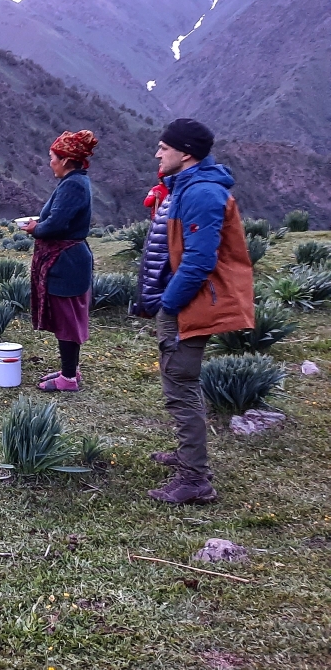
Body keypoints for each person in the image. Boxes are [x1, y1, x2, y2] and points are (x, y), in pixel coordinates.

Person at [133, 118, 254, 505]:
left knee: (180, 385)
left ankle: (195, 477)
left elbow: (200, 261)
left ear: (185, 153)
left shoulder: (201, 192)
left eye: (164, 147)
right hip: (180, 301)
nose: (157, 153)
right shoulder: (185, 186)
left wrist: (169, 303)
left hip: (188, 305)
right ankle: (187, 457)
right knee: (180, 383)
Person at [23, 130, 97, 392]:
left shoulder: (73, 185)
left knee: (67, 317)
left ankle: (68, 379)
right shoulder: (73, 182)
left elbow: (56, 224)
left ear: (66, 160)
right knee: (67, 316)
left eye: (52, 157)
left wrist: (35, 228)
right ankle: (70, 371)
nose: (50, 162)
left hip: (67, 261)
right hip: (68, 260)